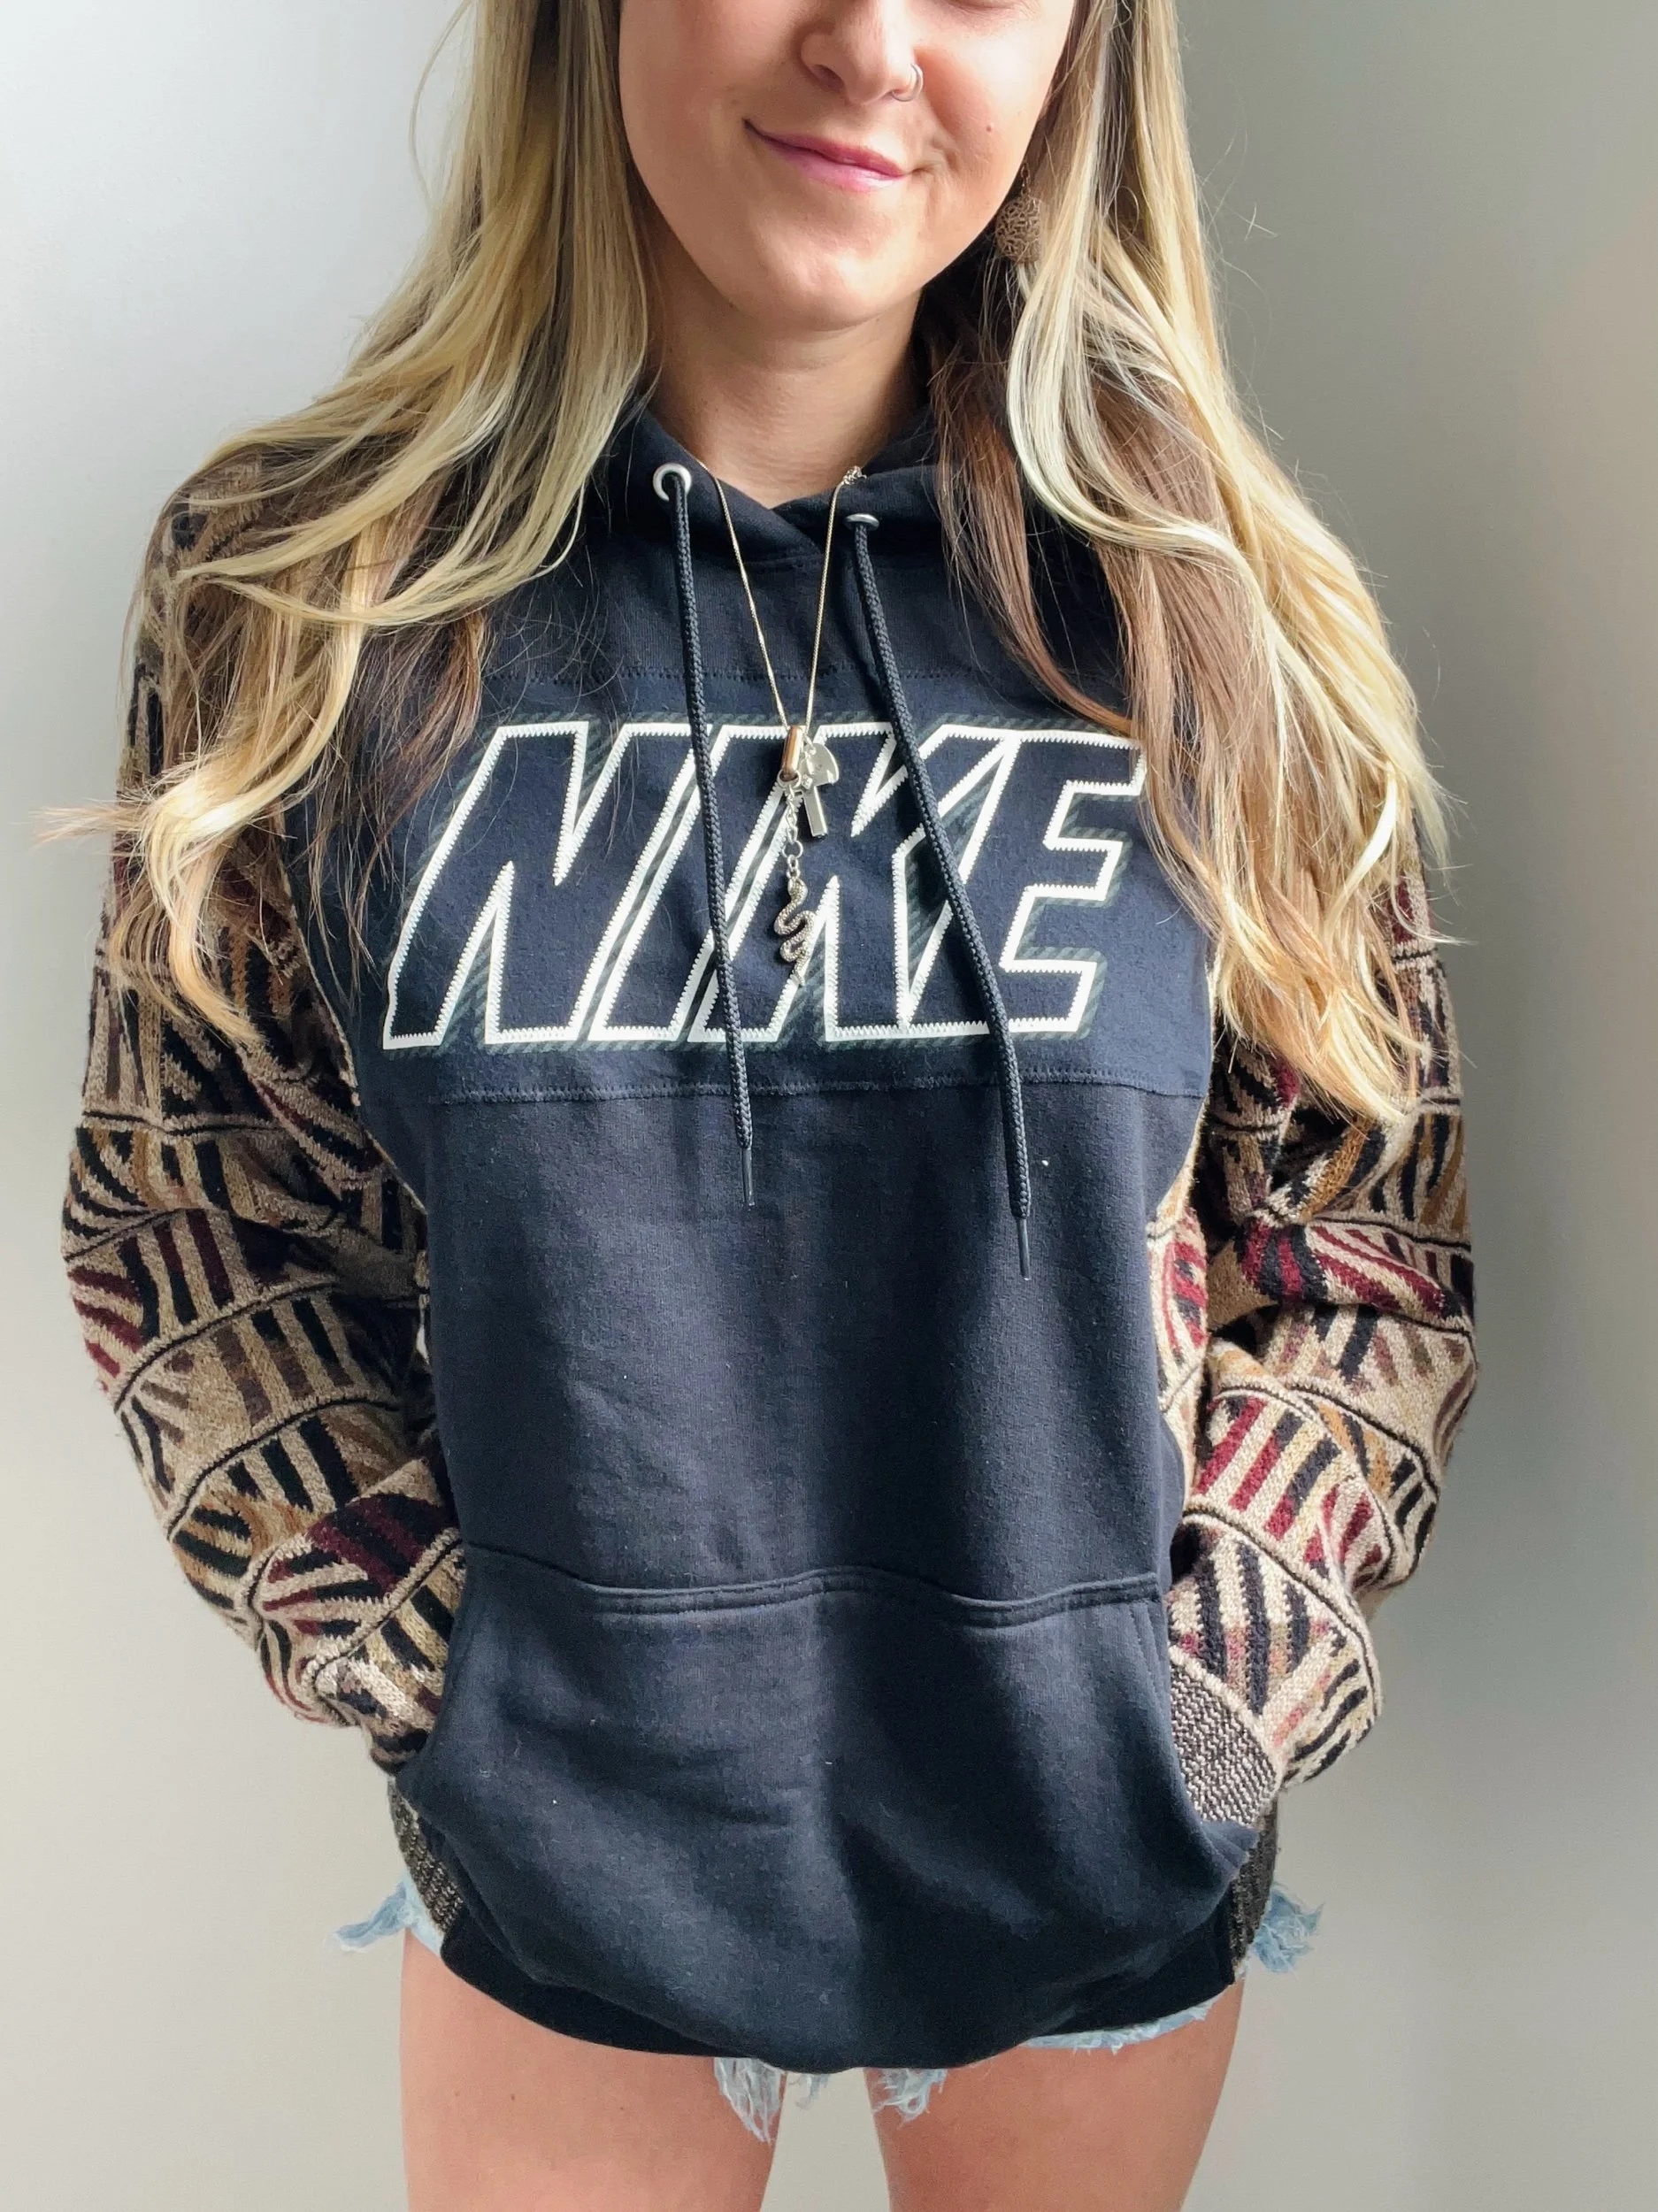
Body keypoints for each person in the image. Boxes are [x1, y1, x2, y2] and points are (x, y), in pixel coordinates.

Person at [61, 3, 1477, 2206]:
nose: (872, 43)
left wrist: (1193, 1715)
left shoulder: (1220, 621)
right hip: (561, 1886)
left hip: (1091, 1871)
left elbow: (1370, 1235)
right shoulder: (305, 589)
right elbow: (191, 1207)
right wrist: (457, 1680)